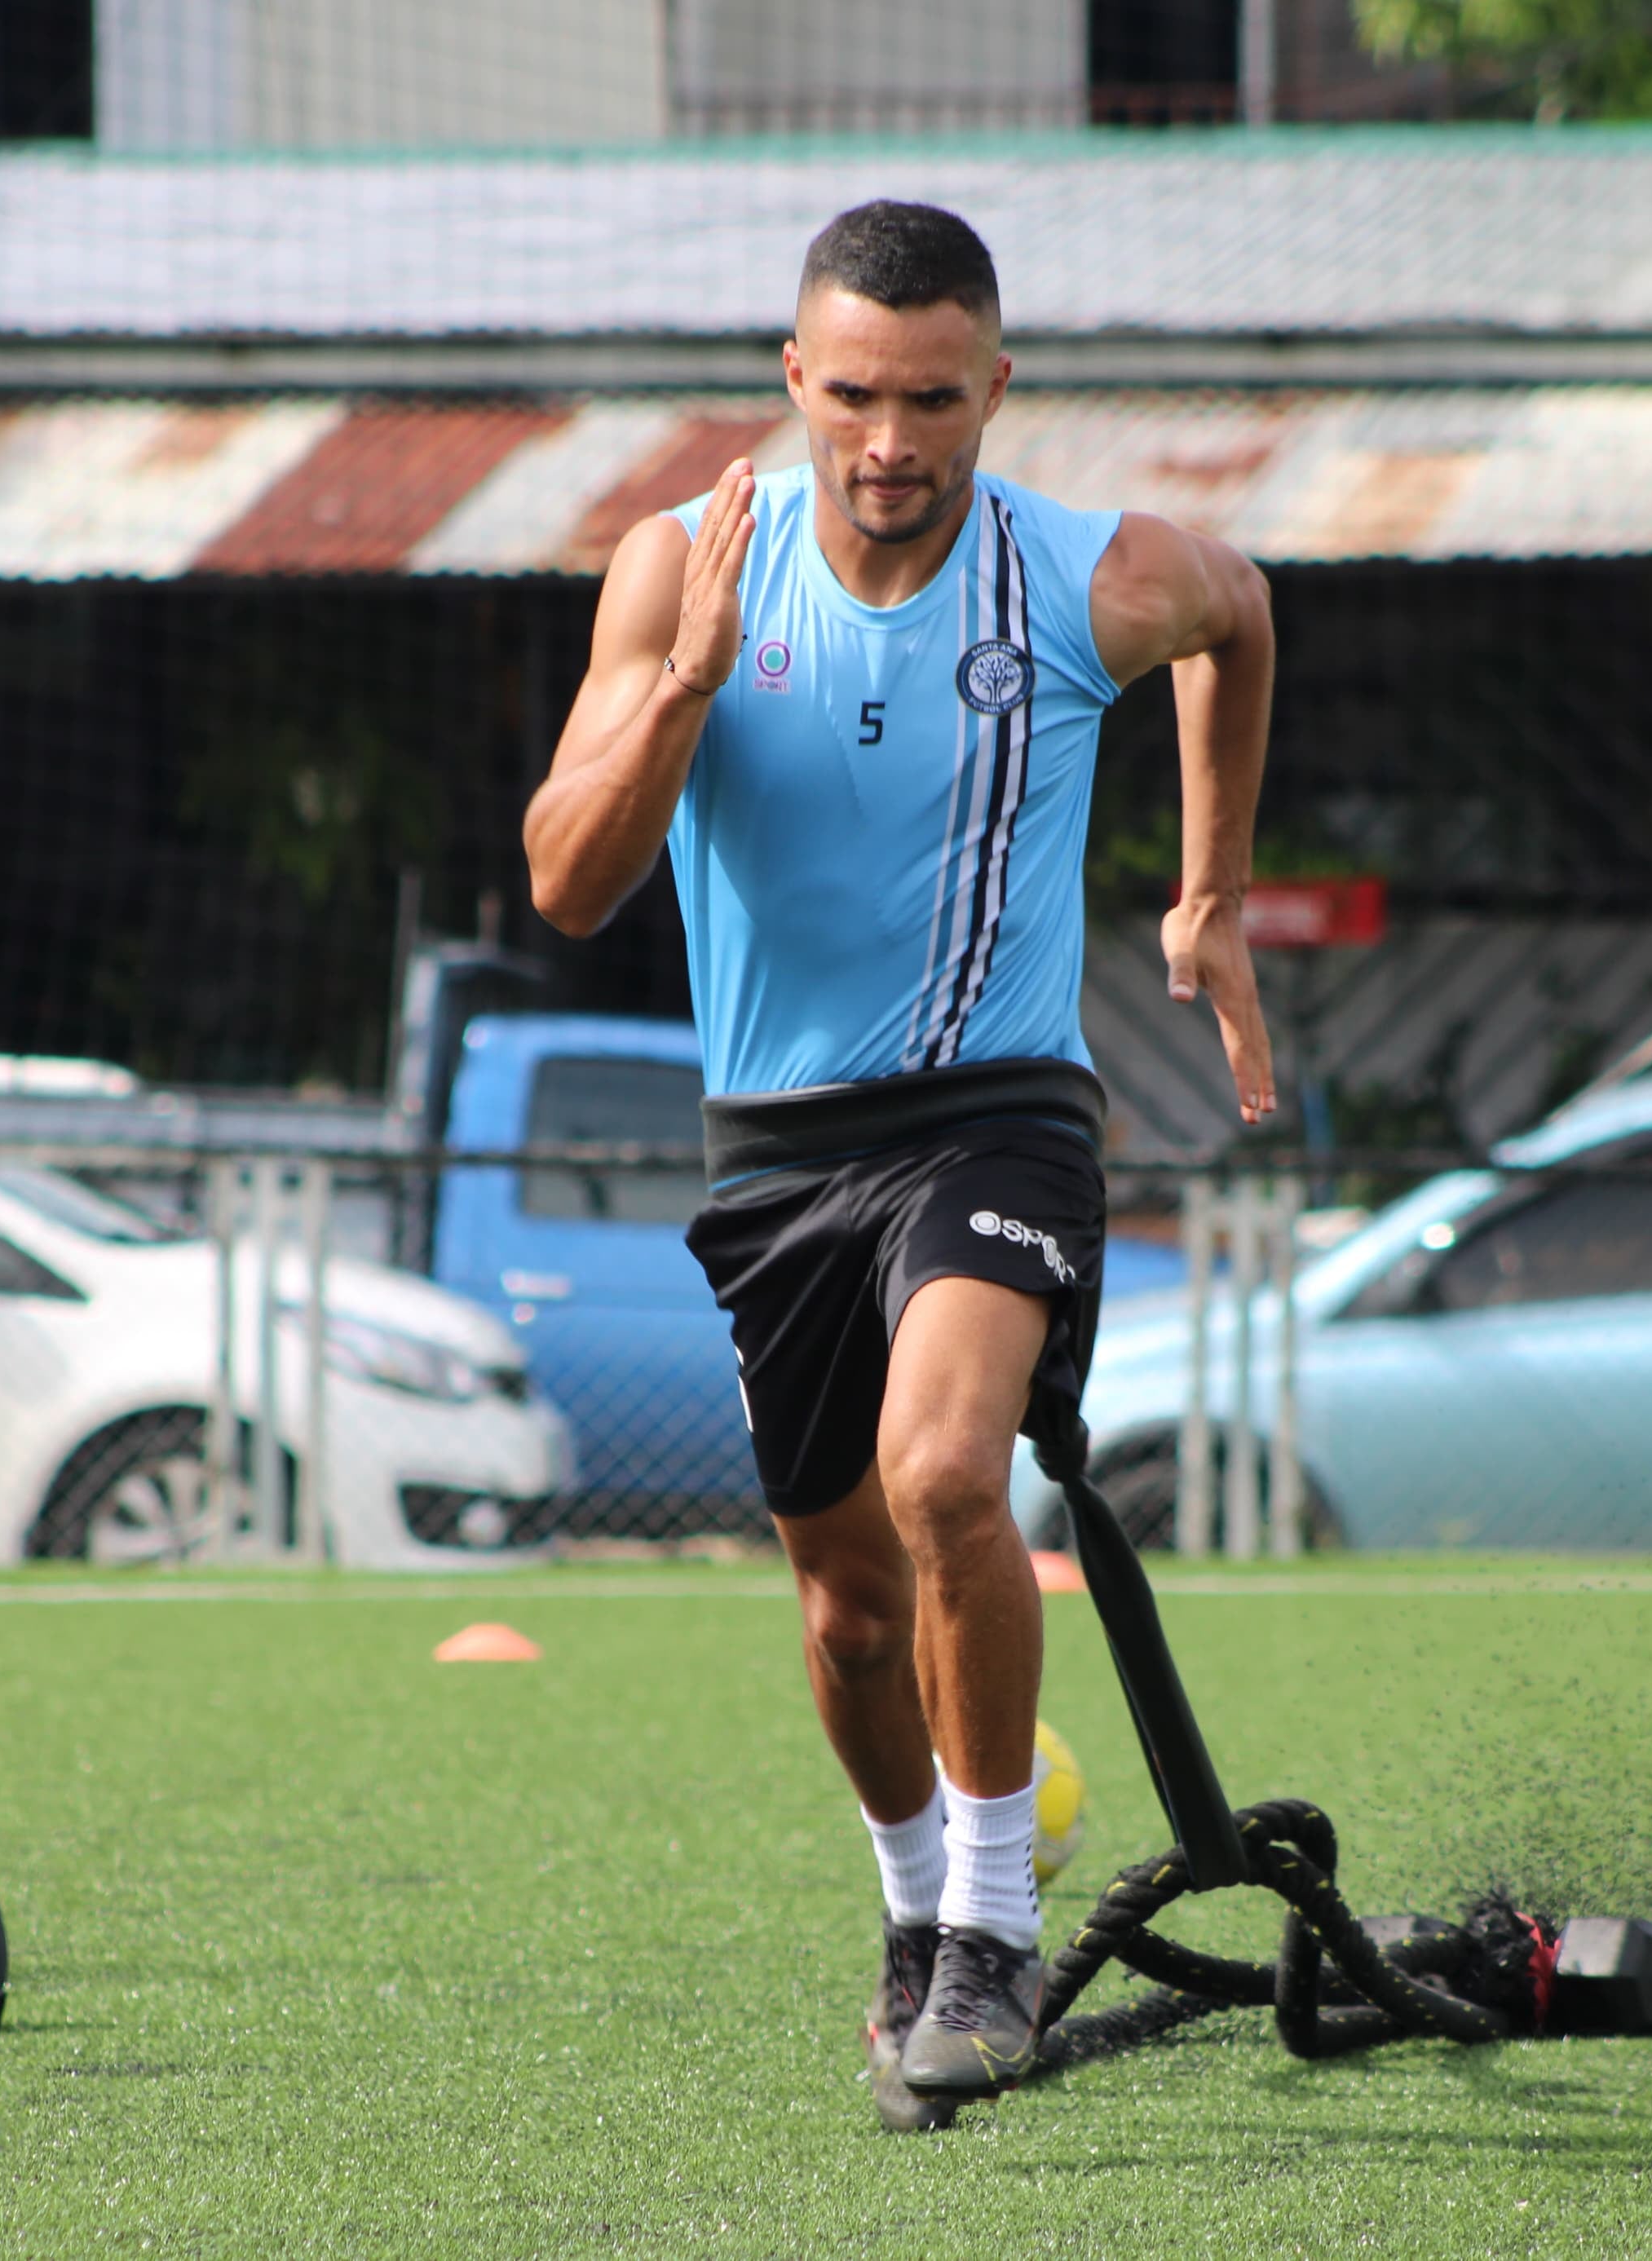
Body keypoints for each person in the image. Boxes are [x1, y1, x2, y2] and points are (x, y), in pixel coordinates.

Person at [525, 199, 1275, 2127]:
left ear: (993, 388)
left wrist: (1210, 891)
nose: (888, 441)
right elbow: (567, 882)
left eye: (932, 399)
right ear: (793, 378)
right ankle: (916, 1907)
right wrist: (686, 681)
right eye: (852, 394)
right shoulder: (681, 567)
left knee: (947, 1473)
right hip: (777, 1152)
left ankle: (996, 1936)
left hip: (994, 1107)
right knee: (849, 1615)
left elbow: (1241, 611)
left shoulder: (1087, 579)